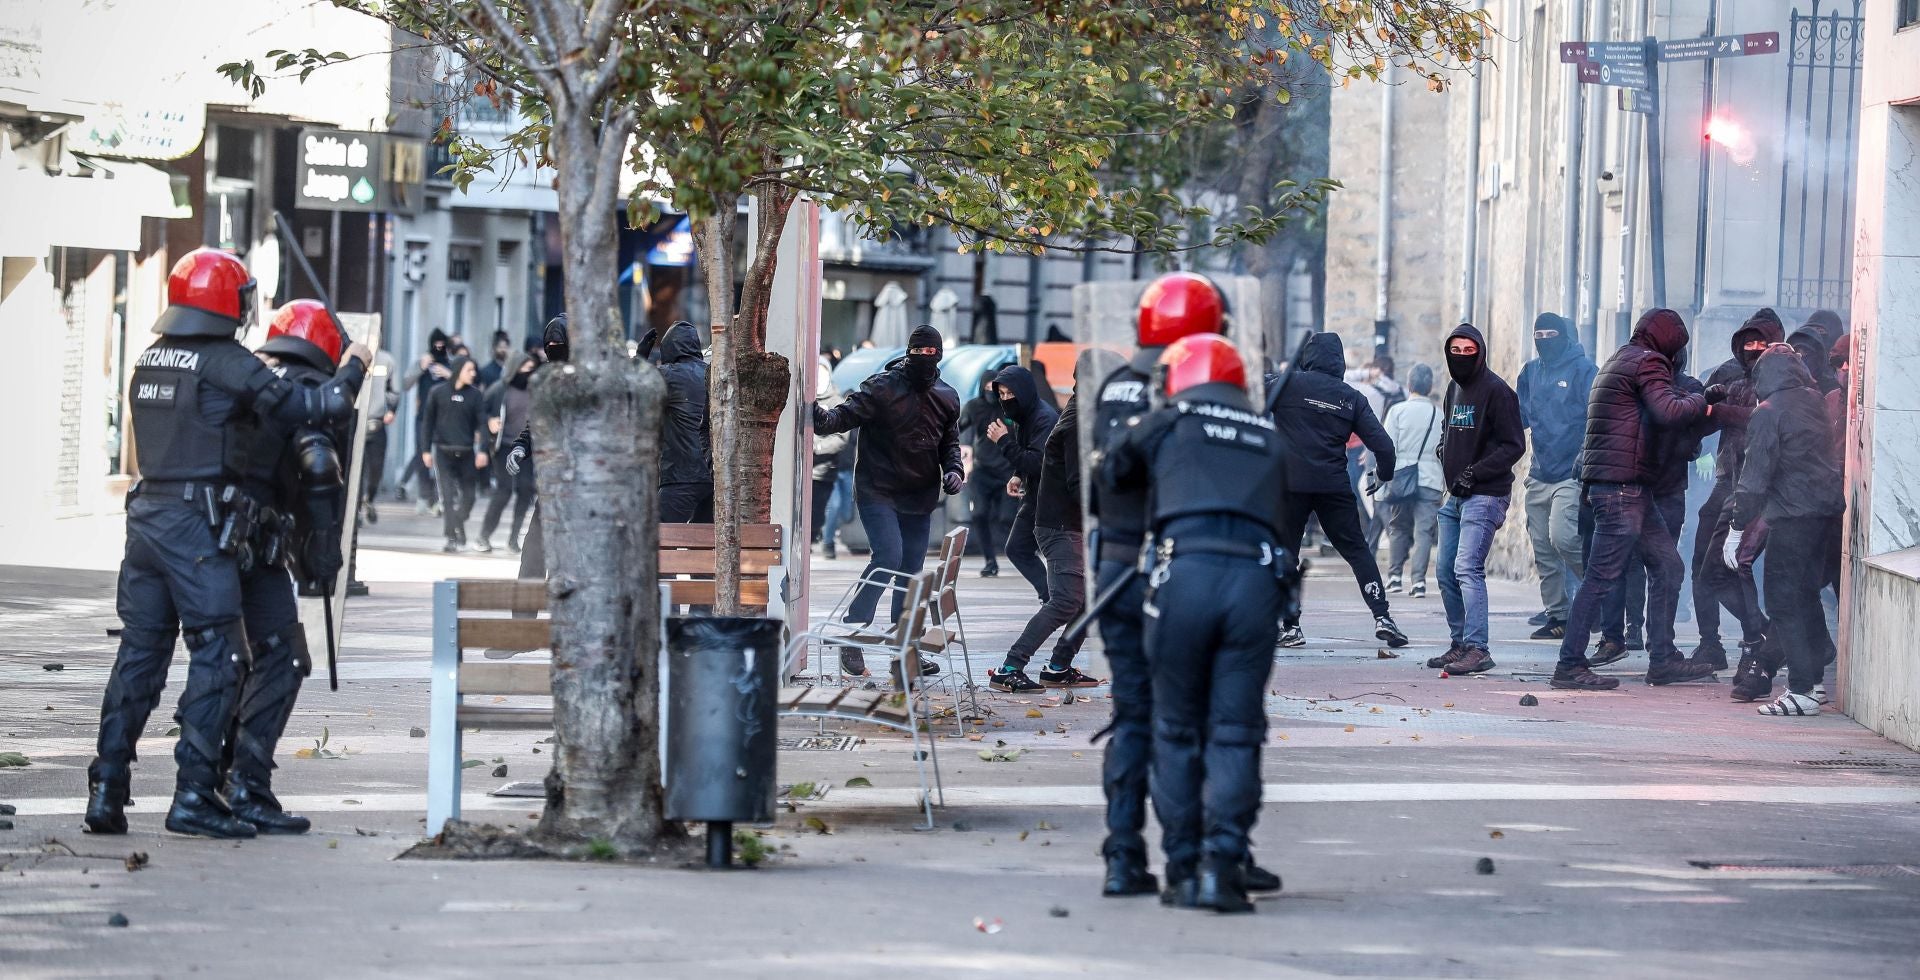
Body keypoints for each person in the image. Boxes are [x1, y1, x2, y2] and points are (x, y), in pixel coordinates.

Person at [85, 248, 369, 839]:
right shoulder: (224, 361)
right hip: (199, 525)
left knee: (141, 655)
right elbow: (320, 409)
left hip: (148, 519)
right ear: (226, 303)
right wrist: (356, 365)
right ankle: (195, 795)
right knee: (222, 653)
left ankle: (107, 790)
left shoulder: (151, 357)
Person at [1087, 271, 1267, 899]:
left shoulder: (1115, 387)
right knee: (1207, 717)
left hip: (1117, 561)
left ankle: (1124, 853)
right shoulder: (1200, 397)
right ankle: (1208, 857)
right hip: (1180, 562)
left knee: (1137, 712)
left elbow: (1098, 481)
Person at [225, 300, 357, 835]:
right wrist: (320, 557)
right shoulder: (303, 390)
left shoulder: (251, 373)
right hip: (257, 540)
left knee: (223, 659)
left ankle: (206, 780)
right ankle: (247, 785)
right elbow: (318, 466)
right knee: (282, 657)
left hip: (202, 535)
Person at [1550, 309, 1717, 691]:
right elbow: (1668, 410)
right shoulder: (1649, 361)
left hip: (1626, 487)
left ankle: (1662, 660)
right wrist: (1703, 399)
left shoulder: (1619, 358)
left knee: (1668, 566)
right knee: (1601, 578)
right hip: (1622, 488)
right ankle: (1570, 664)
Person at [812, 325, 963, 676]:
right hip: (877, 489)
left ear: (939, 356)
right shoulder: (881, 387)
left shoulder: (947, 397)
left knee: (910, 573)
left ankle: (905, 650)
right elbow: (844, 416)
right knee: (888, 557)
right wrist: (820, 417)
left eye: (932, 353)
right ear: (909, 352)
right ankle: (854, 631)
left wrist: (954, 471)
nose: (925, 359)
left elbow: (949, 444)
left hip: (920, 495)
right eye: (920, 352)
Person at [1267, 332, 1407, 648]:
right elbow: (1384, 446)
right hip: (1333, 484)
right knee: (1357, 550)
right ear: (1339, 362)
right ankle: (1382, 616)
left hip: (1291, 484)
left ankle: (1291, 626)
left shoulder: (1285, 384)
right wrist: (1383, 475)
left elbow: (1249, 394)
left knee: (1287, 550)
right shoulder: (1350, 397)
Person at [1734, 344, 1845, 714]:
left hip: (1792, 517)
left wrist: (1737, 527)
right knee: (1806, 596)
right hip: (1824, 516)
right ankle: (1812, 683)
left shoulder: (1768, 413)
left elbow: (1754, 479)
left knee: (1783, 602)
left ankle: (1801, 689)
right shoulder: (1813, 400)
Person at [1422, 325, 1526, 675]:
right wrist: (1443, 449)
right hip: (1454, 495)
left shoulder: (1498, 392)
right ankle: (1460, 642)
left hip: (1485, 494)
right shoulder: (1453, 388)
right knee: (1444, 570)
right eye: (1456, 350)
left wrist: (1476, 472)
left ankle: (1478, 647)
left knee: (1467, 567)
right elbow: (1447, 427)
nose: (1462, 357)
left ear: (1480, 352)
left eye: (1469, 351)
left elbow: (1514, 445)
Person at [1689, 309, 1783, 669]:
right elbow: (1700, 420)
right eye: (1748, 341)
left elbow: (1770, 420)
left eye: (1762, 342)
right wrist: (1703, 406)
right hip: (1726, 480)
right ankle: (1711, 644)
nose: (1754, 348)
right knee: (1702, 566)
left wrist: (1721, 412)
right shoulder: (1727, 374)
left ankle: (1757, 641)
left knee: (1735, 568)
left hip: (1763, 489)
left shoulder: (1786, 378)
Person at [989, 389, 1098, 693]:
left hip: (1063, 521)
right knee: (1065, 601)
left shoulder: (1078, 418)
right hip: (1060, 524)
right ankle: (1009, 668)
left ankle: (1059, 667)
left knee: (1088, 601)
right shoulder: (1076, 425)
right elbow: (1077, 483)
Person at [1515, 312, 1597, 640]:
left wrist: (1584, 462)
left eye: (1552, 333)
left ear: (1564, 336)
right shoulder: (1530, 373)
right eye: (1539, 334)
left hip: (1571, 473)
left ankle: (1600, 597)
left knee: (1562, 537)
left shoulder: (1583, 370)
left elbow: (1595, 418)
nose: (1545, 339)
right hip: (1539, 473)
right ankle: (1558, 615)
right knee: (1543, 549)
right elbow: (1516, 418)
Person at [985, 364, 1060, 602]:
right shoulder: (1024, 415)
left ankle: (1057, 600)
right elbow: (1028, 455)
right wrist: (1017, 474)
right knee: (1017, 548)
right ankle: (1051, 597)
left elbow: (1037, 461)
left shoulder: (1043, 418)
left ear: (1024, 392)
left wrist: (1004, 442)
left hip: (1050, 496)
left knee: (1053, 554)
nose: (1006, 399)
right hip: (1034, 492)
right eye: (1002, 394)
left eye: (1011, 394)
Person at [503, 315, 569, 581]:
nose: (553, 349)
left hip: (586, 486)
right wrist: (521, 446)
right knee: (533, 553)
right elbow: (538, 423)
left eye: (559, 344)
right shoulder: (546, 378)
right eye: (549, 345)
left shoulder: (590, 378)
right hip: (553, 483)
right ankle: (522, 619)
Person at [1380, 363, 1445, 599]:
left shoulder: (1397, 411)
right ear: (1430, 387)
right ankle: (1418, 582)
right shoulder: (1440, 414)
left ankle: (1395, 577)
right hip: (1430, 478)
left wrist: (1383, 478)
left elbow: (1387, 447)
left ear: (1409, 385)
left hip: (1401, 476)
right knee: (1424, 532)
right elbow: (1444, 451)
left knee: (1398, 527)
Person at [420, 356, 491, 552]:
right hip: (443, 452)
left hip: (467, 453)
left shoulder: (475, 395)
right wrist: (425, 450)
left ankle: (458, 523)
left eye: (474, 370)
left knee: (469, 497)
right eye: (470, 370)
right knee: (448, 497)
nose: (473, 374)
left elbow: (483, 424)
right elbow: (427, 423)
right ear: (459, 370)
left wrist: (483, 450)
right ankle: (451, 537)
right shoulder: (437, 392)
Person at [477, 351, 537, 552]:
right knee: (504, 490)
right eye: (524, 369)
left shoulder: (535, 390)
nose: (528, 373)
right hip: (504, 446)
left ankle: (513, 539)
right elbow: (481, 412)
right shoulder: (499, 390)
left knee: (526, 489)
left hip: (527, 449)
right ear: (514, 369)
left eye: (531, 369)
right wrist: (488, 423)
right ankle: (484, 535)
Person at [655, 321, 715, 523]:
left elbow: (633, 392)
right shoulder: (712, 373)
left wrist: (639, 359)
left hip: (680, 477)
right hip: (713, 477)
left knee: (659, 542)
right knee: (704, 547)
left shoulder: (668, 375)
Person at [959, 374, 1016, 577]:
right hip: (983, 470)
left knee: (1008, 518)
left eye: (996, 389)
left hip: (1008, 472)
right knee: (979, 514)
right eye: (988, 388)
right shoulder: (974, 407)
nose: (992, 392)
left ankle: (1024, 549)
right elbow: (957, 428)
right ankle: (990, 560)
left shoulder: (1010, 407)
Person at [400, 329, 452, 510]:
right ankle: (423, 496)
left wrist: (448, 374)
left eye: (441, 344)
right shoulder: (422, 362)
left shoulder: (450, 364)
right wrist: (419, 368)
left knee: (442, 457)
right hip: (423, 417)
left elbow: (463, 385)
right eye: (435, 344)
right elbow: (405, 384)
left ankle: (440, 498)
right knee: (422, 454)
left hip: (445, 418)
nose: (439, 347)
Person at [359, 348, 400, 525]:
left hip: (376, 421)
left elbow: (394, 389)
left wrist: (391, 409)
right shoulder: (352, 355)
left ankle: (370, 497)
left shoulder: (386, 360)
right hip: (355, 419)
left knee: (376, 467)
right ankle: (357, 507)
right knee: (356, 469)